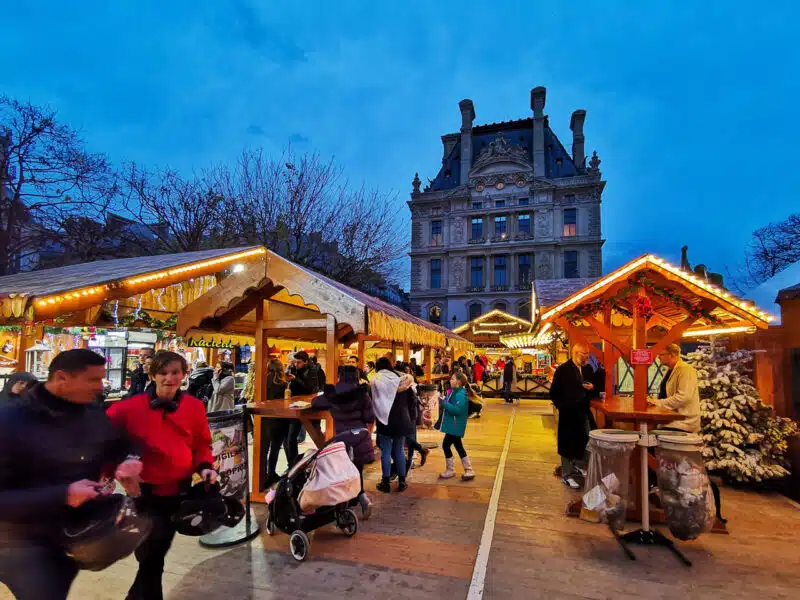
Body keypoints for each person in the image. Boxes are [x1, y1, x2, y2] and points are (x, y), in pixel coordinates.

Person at [0, 349, 142, 600]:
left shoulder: (90, 414)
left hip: (71, 535)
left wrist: (129, 460)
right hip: (19, 542)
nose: (100, 387)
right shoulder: (10, 421)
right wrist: (63, 495)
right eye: (92, 380)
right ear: (62, 378)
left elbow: (121, 443)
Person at [107, 351, 216, 600]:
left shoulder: (194, 406)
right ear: (152, 375)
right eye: (163, 373)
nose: (170, 378)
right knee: (153, 550)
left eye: (175, 372)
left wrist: (205, 465)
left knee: (154, 551)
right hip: (144, 492)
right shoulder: (128, 407)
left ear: (184, 374)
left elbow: (202, 444)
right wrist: (118, 465)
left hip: (180, 490)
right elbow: (102, 438)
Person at [312, 365, 375, 518]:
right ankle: (360, 497)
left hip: (341, 440)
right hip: (359, 438)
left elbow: (315, 403)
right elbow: (369, 417)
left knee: (341, 471)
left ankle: (345, 502)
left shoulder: (331, 394)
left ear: (340, 376)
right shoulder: (363, 394)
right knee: (357, 470)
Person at [549, 343, 595, 489]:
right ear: (575, 353)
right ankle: (567, 475)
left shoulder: (587, 369)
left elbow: (594, 385)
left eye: (588, 354)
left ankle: (579, 465)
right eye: (584, 354)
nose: (587, 357)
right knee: (567, 443)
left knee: (587, 439)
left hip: (583, 411)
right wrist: (562, 406)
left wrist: (592, 388)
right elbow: (554, 392)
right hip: (568, 413)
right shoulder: (563, 370)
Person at [370, 357, 415, 493]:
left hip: (385, 420)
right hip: (401, 419)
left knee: (386, 451)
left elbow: (371, 398)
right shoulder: (402, 379)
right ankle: (402, 481)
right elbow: (410, 400)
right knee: (399, 450)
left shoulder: (375, 379)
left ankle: (385, 482)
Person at [650, 344, 700, 433]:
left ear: (672, 355)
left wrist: (658, 403)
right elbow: (666, 393)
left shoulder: (685, 370)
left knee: (651, 439)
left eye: (661, 354)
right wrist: (653, 400)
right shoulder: (670, 370)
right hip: (671, 420)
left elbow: (683, 397)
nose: (658, 357)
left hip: (683, 422)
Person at [438, 372, 475, 481]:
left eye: (452, 379)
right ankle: (467, 469)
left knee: (446, 445)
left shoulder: (460, 394)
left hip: (455, 425)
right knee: (457, 446)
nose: (450, 380)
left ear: (458, 382)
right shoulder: (455, 392)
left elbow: (456, 410)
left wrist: (442, 402)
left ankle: (453, 469)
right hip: (453, 424)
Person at [286, 351, 320, 462]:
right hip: (296, 404)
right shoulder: (295, 368)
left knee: (317, 435)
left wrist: (295, 379)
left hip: (309, 406)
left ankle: (322, 458)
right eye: (295, 362)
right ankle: (293, 463)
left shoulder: (313, 370)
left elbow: (309, 388)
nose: (297, 365)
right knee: (291, 437)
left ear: (305, 361)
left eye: (299, 362)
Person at [263, 353, 290, 487]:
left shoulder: (263, 381)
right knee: (276, 447)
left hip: (265, 417)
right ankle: (272, 472)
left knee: (265, 448)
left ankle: (266, 475)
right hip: (279, 418)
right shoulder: (283, 383)